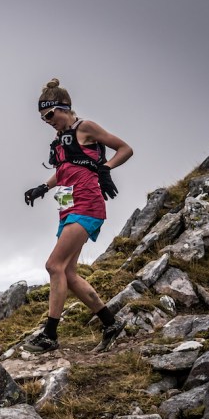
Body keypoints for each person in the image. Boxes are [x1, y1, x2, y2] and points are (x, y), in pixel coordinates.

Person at [23, 78, 133, 354]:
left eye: (50, 115)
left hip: (86, 206)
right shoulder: (60, 139)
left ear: (64, 107)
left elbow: (125, 149)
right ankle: (111, 324)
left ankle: (50, 335)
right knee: (68, 274)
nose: (47, 121)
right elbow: (64, 170)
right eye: (43, 118)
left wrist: (105, 168)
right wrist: (42, 187)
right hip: (67, 207)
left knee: (53, 266)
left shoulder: (85, 127)